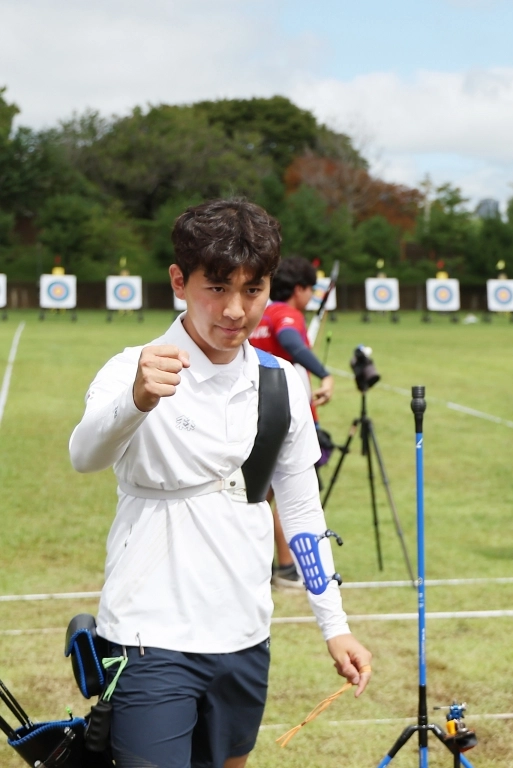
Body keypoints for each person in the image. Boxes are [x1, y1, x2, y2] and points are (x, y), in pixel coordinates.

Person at [69, 199, 372, 768]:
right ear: (179, 281)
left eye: (253, 290)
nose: (235, 310)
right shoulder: (132, 367)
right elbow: (84, 455)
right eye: (216, 288)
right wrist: (135, 399)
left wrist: (335, 626)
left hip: (245, 636)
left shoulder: (283, 382)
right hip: (148, 636)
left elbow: (302, 512)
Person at [249, 255, 335, 589]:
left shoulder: (260, 314)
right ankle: (287, 569)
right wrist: (324, 374)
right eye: (310, 289)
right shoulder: (285, 315)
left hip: (256, 416)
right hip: (286, 420)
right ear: (299, 289)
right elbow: (290, 342)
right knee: (290, 494)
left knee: (258, 496)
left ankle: (254, 564)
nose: (310, 297)